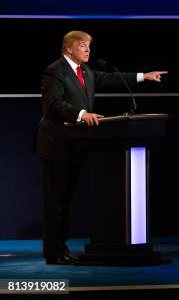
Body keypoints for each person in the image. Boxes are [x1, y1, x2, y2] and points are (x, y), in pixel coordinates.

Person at [35, 30, 167, 265]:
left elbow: (110, 78)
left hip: (76, 144)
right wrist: (82, 114)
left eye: (88, 46)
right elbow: (53, 104)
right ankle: (54, 253)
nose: (87, 50)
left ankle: (60, 249)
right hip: (56, 144)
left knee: (66, 202)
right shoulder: (55, 71)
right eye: (83, 46)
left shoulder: (85, 71)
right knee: (56, 202)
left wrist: (143, 76)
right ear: (68, 49)